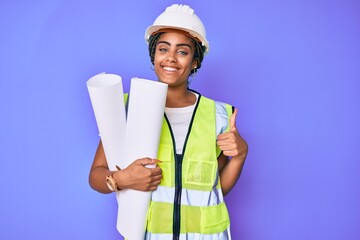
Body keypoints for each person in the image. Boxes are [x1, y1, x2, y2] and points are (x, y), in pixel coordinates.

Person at [89, 4, 248, 239]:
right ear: (154, 55)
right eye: (163, 49)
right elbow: (95, 175)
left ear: (195, 61)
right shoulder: (126, 108)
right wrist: (122, 179)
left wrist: (241, 155)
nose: (171, 58)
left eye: (182, 51)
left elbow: (216, 190)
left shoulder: (219, 115)